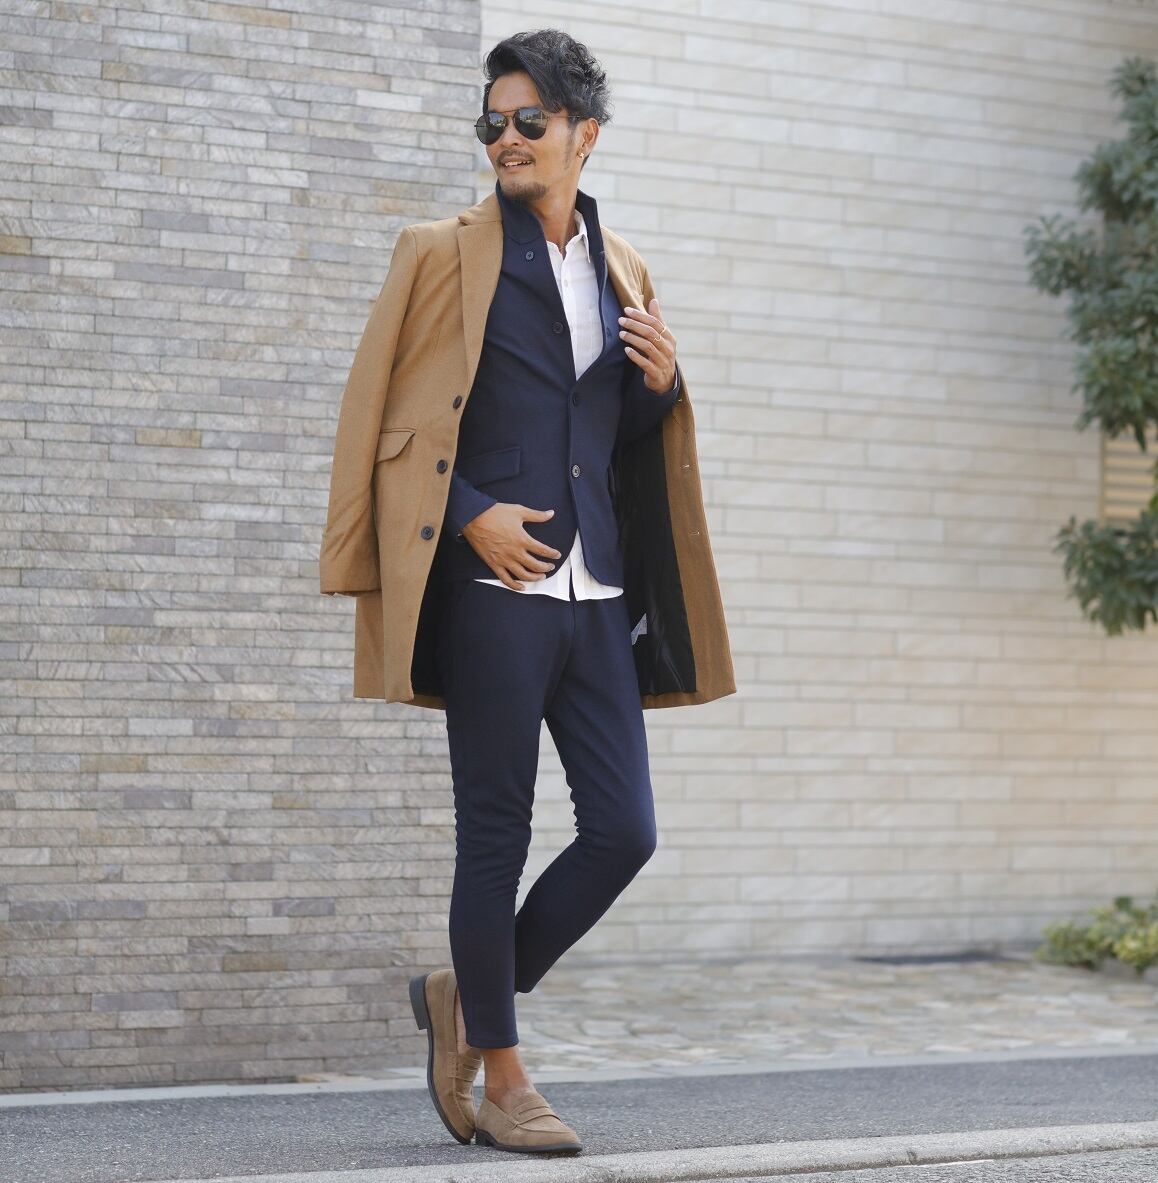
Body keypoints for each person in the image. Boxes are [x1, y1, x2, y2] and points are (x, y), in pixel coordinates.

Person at [321, 26, 736, 1157]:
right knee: (494, 836)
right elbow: (383, 422)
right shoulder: (436, 253)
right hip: (493, 590)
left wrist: (663, 387)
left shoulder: (623, 266)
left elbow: (610, 433)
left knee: (625, 831)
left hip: (596, 590)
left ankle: (466, 992)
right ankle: (503, 1078)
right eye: (493, 122)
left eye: (530, 121)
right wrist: (468, 516)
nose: (506, 138)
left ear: (582, 134)